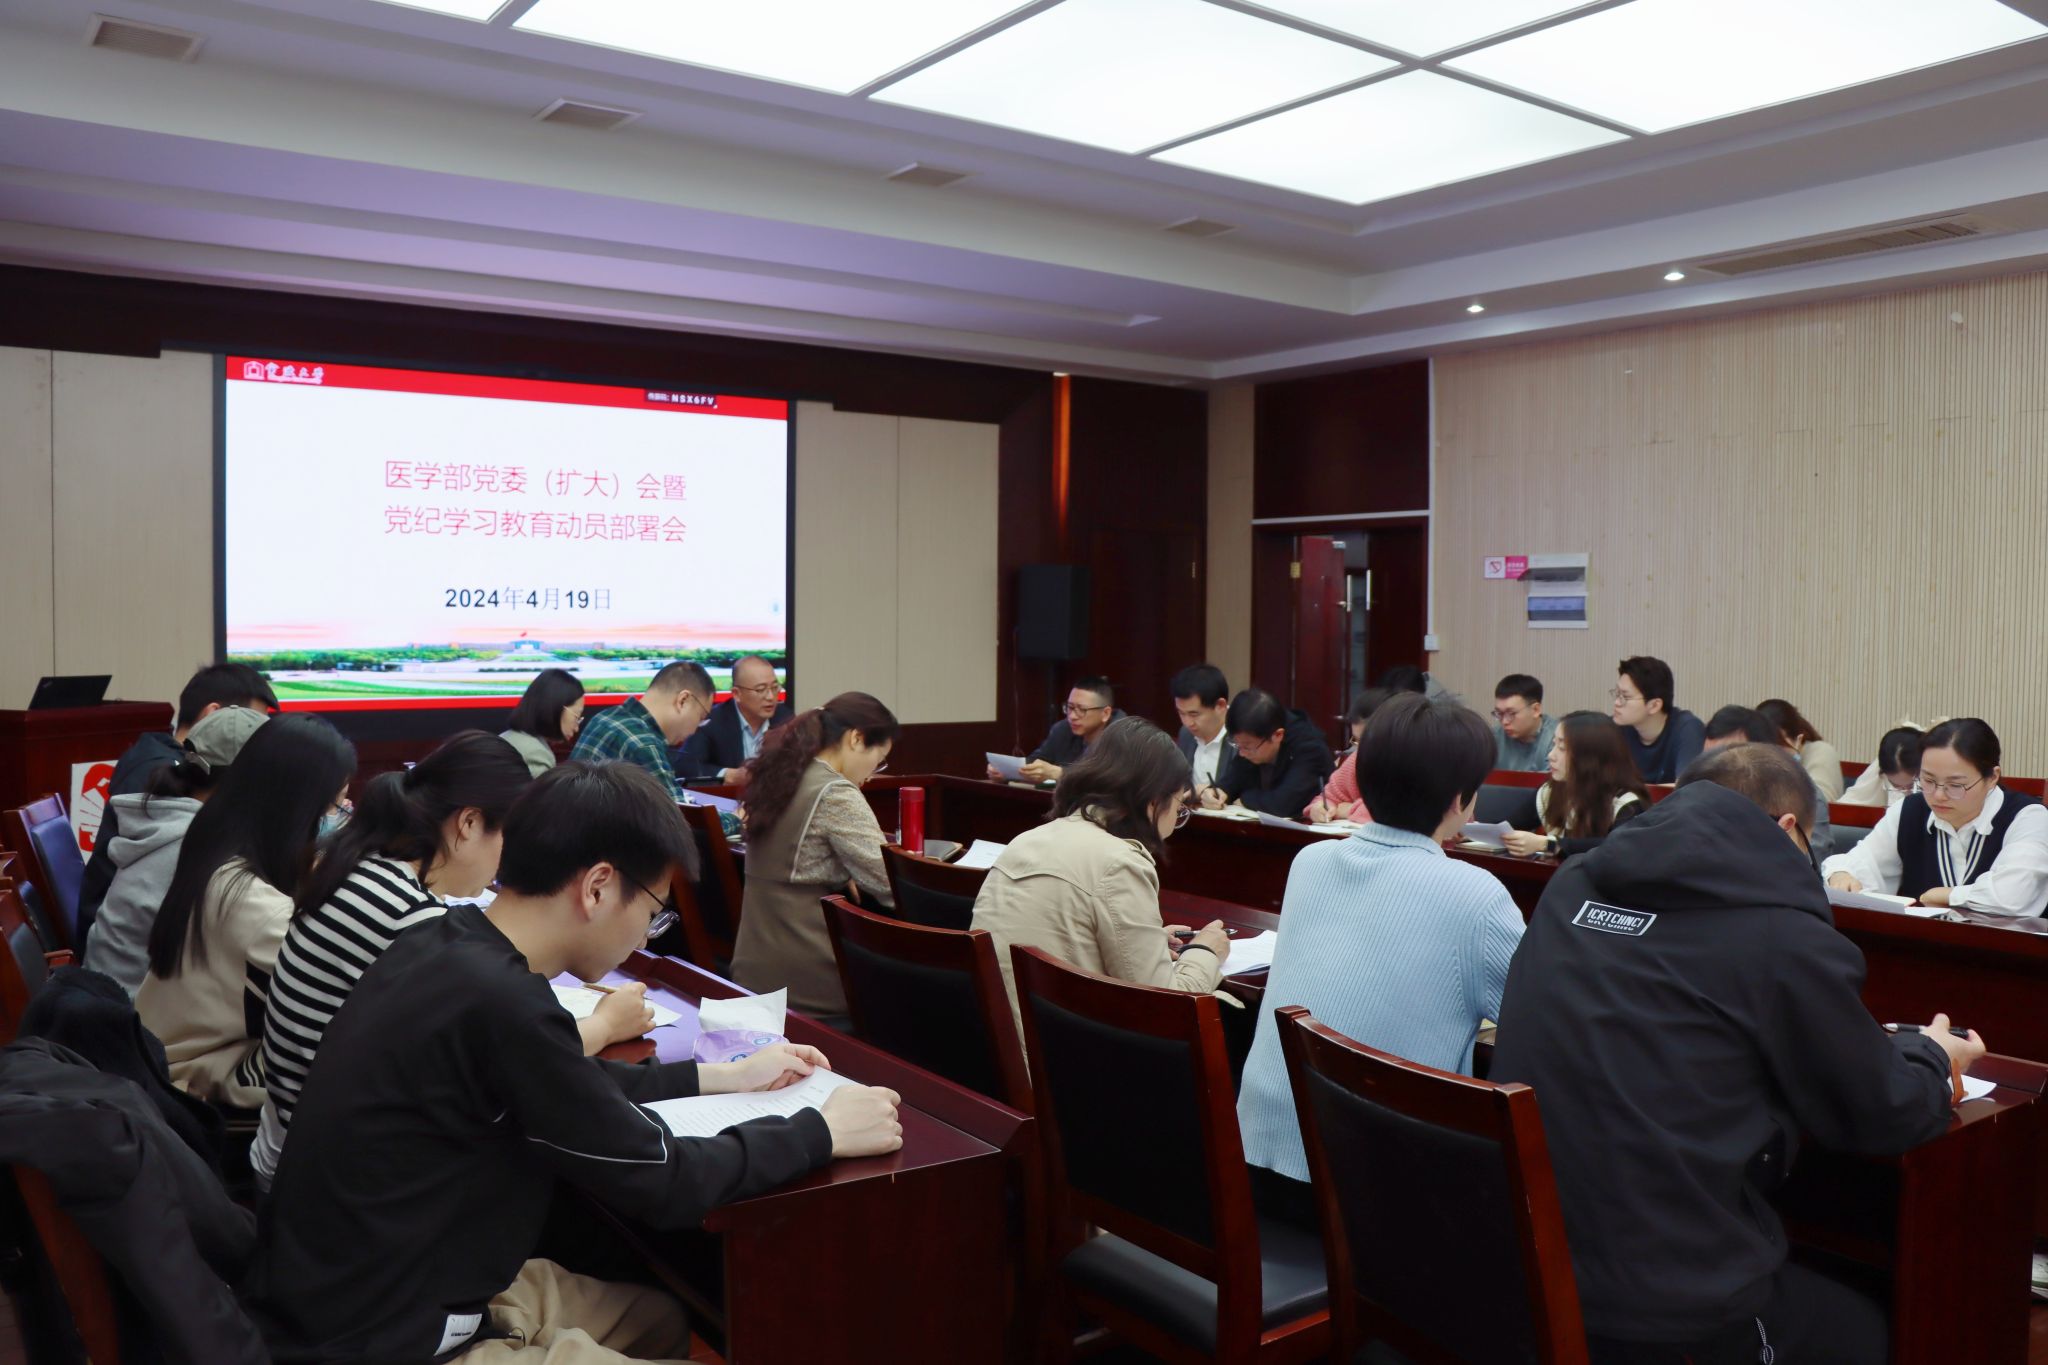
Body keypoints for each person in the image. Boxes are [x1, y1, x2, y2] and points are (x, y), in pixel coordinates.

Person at [243, 761, 905, 1365]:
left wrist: (720, 1076)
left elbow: (560, 1082)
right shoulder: (505, 1004)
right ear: (597, 887)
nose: (645, 933)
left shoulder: (446, 943)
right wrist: (821, 1130)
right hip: (382, 1336)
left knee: (660, 1318)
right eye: (654, 911)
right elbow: (664, 1178)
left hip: (357, 1284)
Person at [1490, 743, 1974, 1364]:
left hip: (1527, 1260)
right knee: (1882, 1331)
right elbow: (1885, 1110)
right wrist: (1931, 1055)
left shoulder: (1572, 886)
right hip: (1667, 1304)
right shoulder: (1782, 933)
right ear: (1788, 828)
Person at [1237, 693, 1522, 1222]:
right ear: (1461, 799)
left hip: (1260, 1152)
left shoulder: (1310, 861)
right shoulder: (1475, 894)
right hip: (1372, 1191)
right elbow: (1534, 1015)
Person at [251, 732, 560, 1189]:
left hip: (287, 1148)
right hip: (324, 1178)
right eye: (507, 837)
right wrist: (607, 1024)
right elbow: (512, 1059)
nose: (504, 860)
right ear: (469, 823)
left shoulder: (358, 863)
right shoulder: (412, 920)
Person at [134, 715, 356, 1110]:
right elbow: (335, 979)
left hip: (170, 1059)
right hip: (193, 1084)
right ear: (297, 807)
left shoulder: (219, 848)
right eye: (336, 804)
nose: (342, 817)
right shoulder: (249, 901)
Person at [971, 717, 1230, 1042]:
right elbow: (1164, 1004)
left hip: (995, 1043)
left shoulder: (1026, 840)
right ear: (1153, 800)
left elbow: (1063, 936)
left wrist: (1146, 941)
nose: (1177, 819)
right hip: (1064, 1055)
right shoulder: (1120, 861)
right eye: (1180, 806)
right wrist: (1205, 951)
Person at [77, 662, 278, 953]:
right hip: (124, 951)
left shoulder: (160, 756)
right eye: (251, 725)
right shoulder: (155, 774)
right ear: (215, 716)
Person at [730, 693, 900, 1020]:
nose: (872, 774)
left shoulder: (782, 774)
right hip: (809, 984)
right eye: (879, 760)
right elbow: (889, 885)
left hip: (753, 970)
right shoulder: (835, 792)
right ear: (856, 738)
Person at [84, 706, 270, 996]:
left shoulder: (169, 819)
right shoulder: (199, 845)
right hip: (130, 1015)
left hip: (110, 1000)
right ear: (243, 784)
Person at [1823, 717, 2048, 916]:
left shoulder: (2028, 817)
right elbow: (1861, 863)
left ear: (1992, 777)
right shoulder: (1910, 811)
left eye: (1955, 785)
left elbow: (2014, 895)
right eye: (1928, 781)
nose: (1938, 795)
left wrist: (1947, 895)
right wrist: (1842, 874)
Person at [1502, 711, 1649, 859]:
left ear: (1591, 757)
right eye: (1554, 744)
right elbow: (1510, 827)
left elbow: (1618, 848)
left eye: (1562, 748)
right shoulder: (1550, 791)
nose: (1551, 756)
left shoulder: (1626, 802)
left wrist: (1549, 844)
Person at [1701, 705, 1833, 860]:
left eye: (1727, 759)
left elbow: (1807, 864)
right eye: (1707, 758)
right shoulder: (1699, 793)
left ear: (1764, 753)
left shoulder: (1806, 796)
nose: (1713, 768)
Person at [568, 660, 714, 798]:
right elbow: (678, 812)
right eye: (700, 717)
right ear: (683, 700)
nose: (694, 731)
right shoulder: (643, 744)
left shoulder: (605, 717)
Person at [1201, 688, 1333, 816]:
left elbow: (1283, 804)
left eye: (1247, 747)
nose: (1241, 753)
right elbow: (1234, 779)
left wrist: (1245, 798)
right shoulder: (1253, 738)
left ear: (1277, 735)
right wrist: (1218, 792)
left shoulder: (1309, 748)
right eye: (1237, 745)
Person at [676, 655, 793, 786]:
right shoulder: (712, 721)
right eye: (760, 690)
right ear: (737, 694)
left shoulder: (786, 719)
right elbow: (685, 766)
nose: (770, 697)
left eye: (775, 687)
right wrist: (728, 775)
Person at [993, 676, 1124, 784]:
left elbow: (1106, 780)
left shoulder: (1124, 737)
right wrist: (1007, 771)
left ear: (1105, 713)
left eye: (1082, 710)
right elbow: (1036, 761)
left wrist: (1059, 773)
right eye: (1070, 707)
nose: (1072, 716)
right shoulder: (1063, 728)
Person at [1611, 655, 1705, 783]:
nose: (1616, 702)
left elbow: (1688, 788)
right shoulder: (1614, 728)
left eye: (1625, 697)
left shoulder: (1687, 729)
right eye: (1617, 694)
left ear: (1654, 705)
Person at [1305, 688, 1391, 824]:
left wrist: (1349, 809)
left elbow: (1396, 813)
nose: (1360, 749)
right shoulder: (1355, 760)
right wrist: (1319, 808)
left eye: (1367, 741)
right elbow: (1327, 798)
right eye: (1356, 740)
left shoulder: (1412, 762)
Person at [499, 668, 585, 777]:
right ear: (556, 707)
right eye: (577, 716)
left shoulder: (507, 737)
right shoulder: (535, 754)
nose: (577, 728)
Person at [1758, 698, 1846, 801]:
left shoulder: (1822, 752)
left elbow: (1821, 803)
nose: (1770, 753)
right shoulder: (1753, 758)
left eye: (1777, 745)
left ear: (1798, 739)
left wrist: (1791, 768)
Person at [1170, 663, 1236, 798]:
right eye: (1181, 713)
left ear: (1220, 705)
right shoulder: (1186, 734)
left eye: (1194, 714)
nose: (1187, 723)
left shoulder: (1242, 735)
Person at [1838, 723, 1927, 808]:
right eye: (1896, 786)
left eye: (1911, 785)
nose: (1906, 793)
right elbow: (1845, 806)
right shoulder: (1880, 776)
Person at [1491, 673, 1558, 772]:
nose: (1504, 722)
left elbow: (1551, 781)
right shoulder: (1493, 738)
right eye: (1499, 713)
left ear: (1535, 710)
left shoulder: (1557, 739)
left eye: (1511, 714)